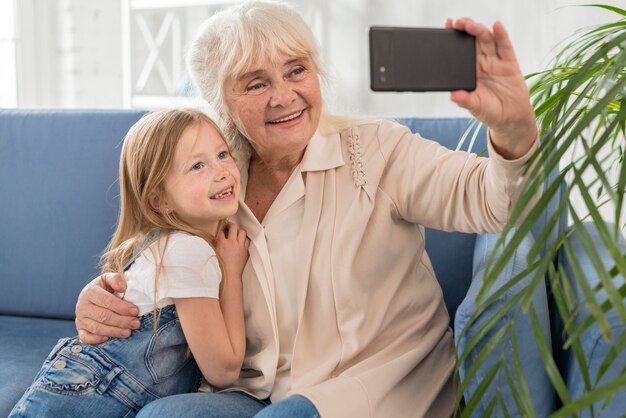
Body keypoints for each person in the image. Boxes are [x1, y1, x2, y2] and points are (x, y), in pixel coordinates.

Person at [74, 1, 540, 417]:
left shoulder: (376, 149)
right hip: (254, 391)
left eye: (296, 71)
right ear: (221, 106)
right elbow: (161, 263)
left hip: (373, 388)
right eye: (256, 84)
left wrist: (513, 127)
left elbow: (495, 202)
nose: (283, 95)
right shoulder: (210, 183)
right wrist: (104, 299)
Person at [10, 109, 249, 417]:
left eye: (222, 154)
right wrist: (232, 270)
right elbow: (224, 369)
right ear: (159, 200)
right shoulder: (189, 252)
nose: (222, 171)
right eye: (197, 166)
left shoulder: (160, 245)